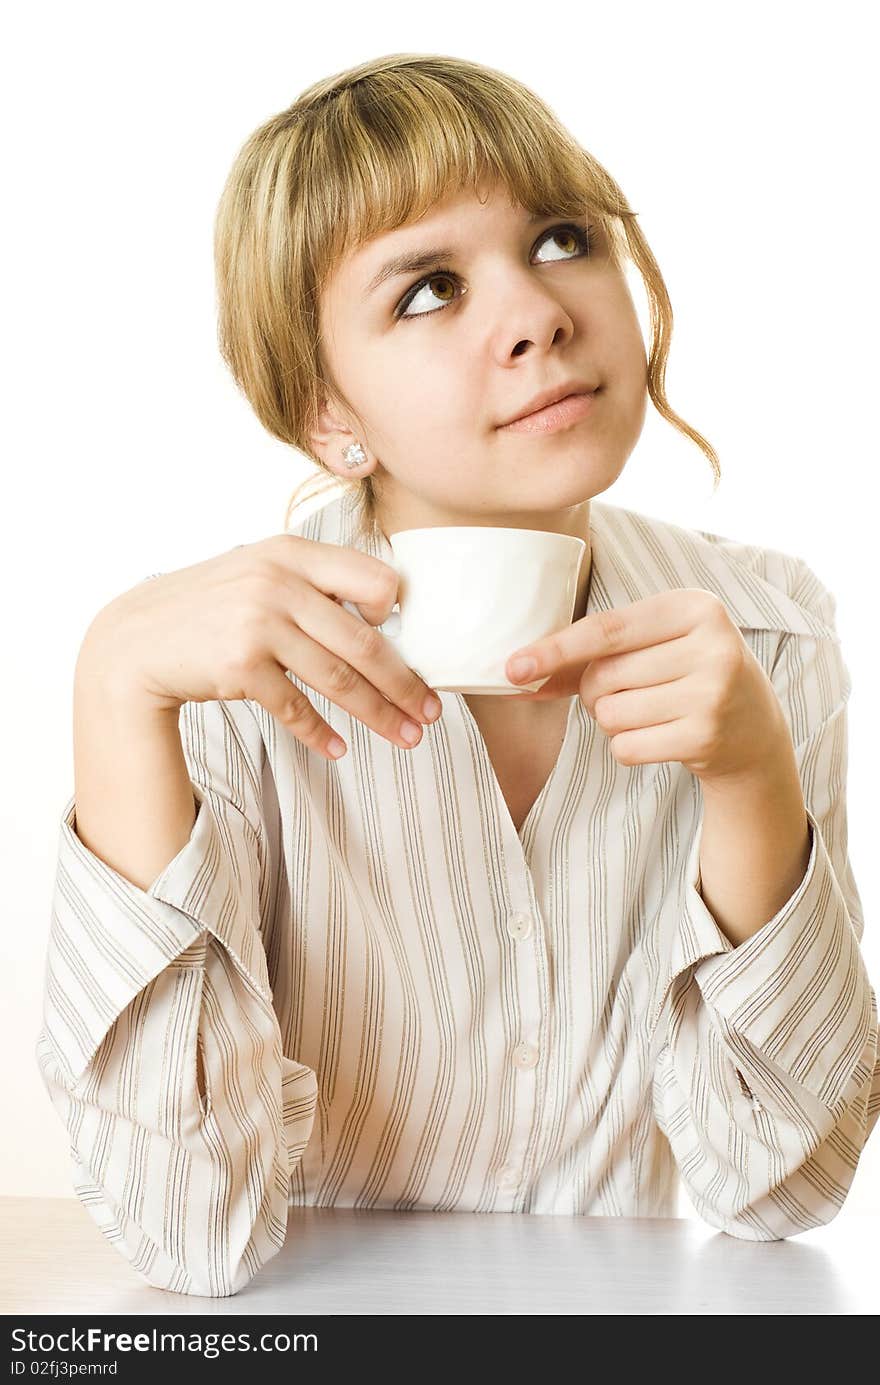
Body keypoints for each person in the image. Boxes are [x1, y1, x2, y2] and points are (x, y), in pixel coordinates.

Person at [36, 52, 880, 1300]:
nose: (538, 312)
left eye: (559, 238)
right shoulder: (211, 680)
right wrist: (111, 688)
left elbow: (777, 1186)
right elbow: (186, 1237)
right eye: (429, 288)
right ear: (328, 408)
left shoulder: (766, 635)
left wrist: (753, 775)